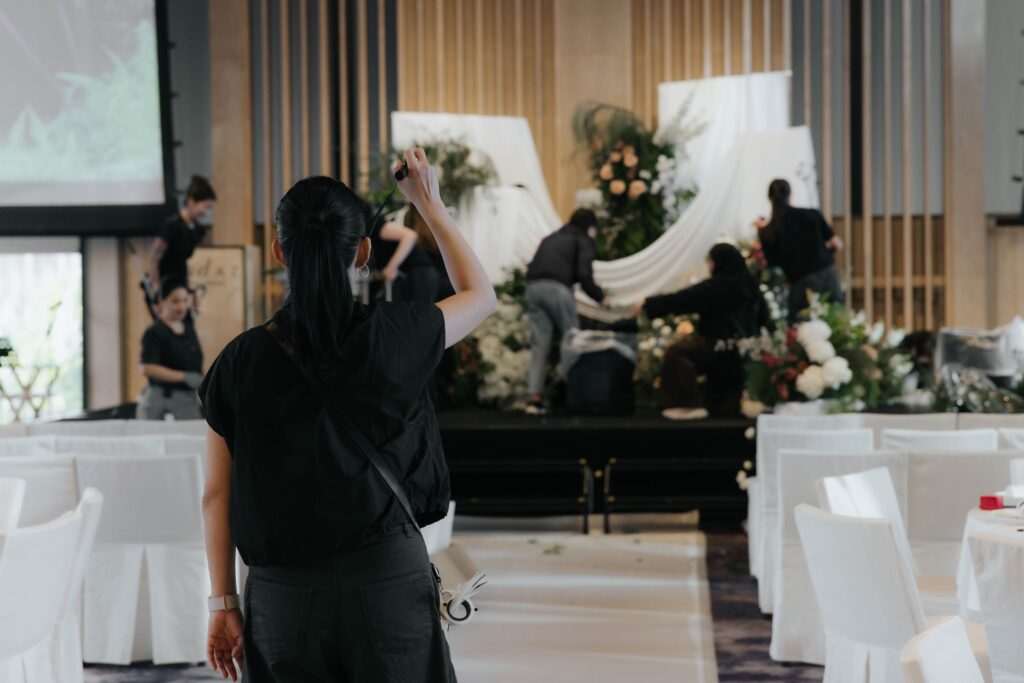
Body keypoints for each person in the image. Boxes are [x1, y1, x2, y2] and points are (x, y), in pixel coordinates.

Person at [198, 149, 495, 682]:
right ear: (362, 252)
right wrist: (428, 203)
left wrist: (223, 601)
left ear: (279, 252)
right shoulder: (398, 335)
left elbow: (216, 495)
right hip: (388, 584)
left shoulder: (238, 361)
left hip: (283, 599)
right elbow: (479, 294)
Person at [631, 243, 767, 420]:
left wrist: (647, 304)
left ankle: (685, 405)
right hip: (748, 352)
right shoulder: (751, 287)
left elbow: (681, 300)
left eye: (711, 261)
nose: (709, 266)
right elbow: (764, 317)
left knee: (677, 353)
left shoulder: (715, 287)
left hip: (718, 349)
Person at [523, 208, 610, 415]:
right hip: (557, 288)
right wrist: (601, 298)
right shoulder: (583, 239)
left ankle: (534, 397)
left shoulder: (551, 237)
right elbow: (584, 274)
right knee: (572, 340)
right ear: (590, 227)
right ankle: (576, 394)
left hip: (532, 288)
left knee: (540, 344)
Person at [755, 178, 843, 321]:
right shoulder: (812, 215)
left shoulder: (769, 231)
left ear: (769, 198)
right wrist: (824, 250)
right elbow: (837, 244)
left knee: (803, 327)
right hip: (827, 276)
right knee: (836, 321)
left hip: (800, 283)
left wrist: (760, 231)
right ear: (790, 195)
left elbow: (772, 263)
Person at [136, 277, 204, 420]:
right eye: (175, 301)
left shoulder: (187, 326)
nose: (181, 306)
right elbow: (146, 367)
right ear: (162, 302)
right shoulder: (154, 332)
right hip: (162, 400)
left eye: (185, 300)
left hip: (188, 399)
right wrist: (184, 377)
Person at [149, 175, 216, 291]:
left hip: (182, 280)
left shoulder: (198, 230)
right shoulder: (171, 225)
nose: (206, 212)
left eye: (209, 208)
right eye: (205, 207)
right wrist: (155, 283)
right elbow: (154, 255)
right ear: (191, 201)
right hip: (166, 281)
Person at [368, 202, 440, 303]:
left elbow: (410, 236)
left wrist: (391, 268)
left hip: (420, 276)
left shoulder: (375, 224)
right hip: (424, 275)